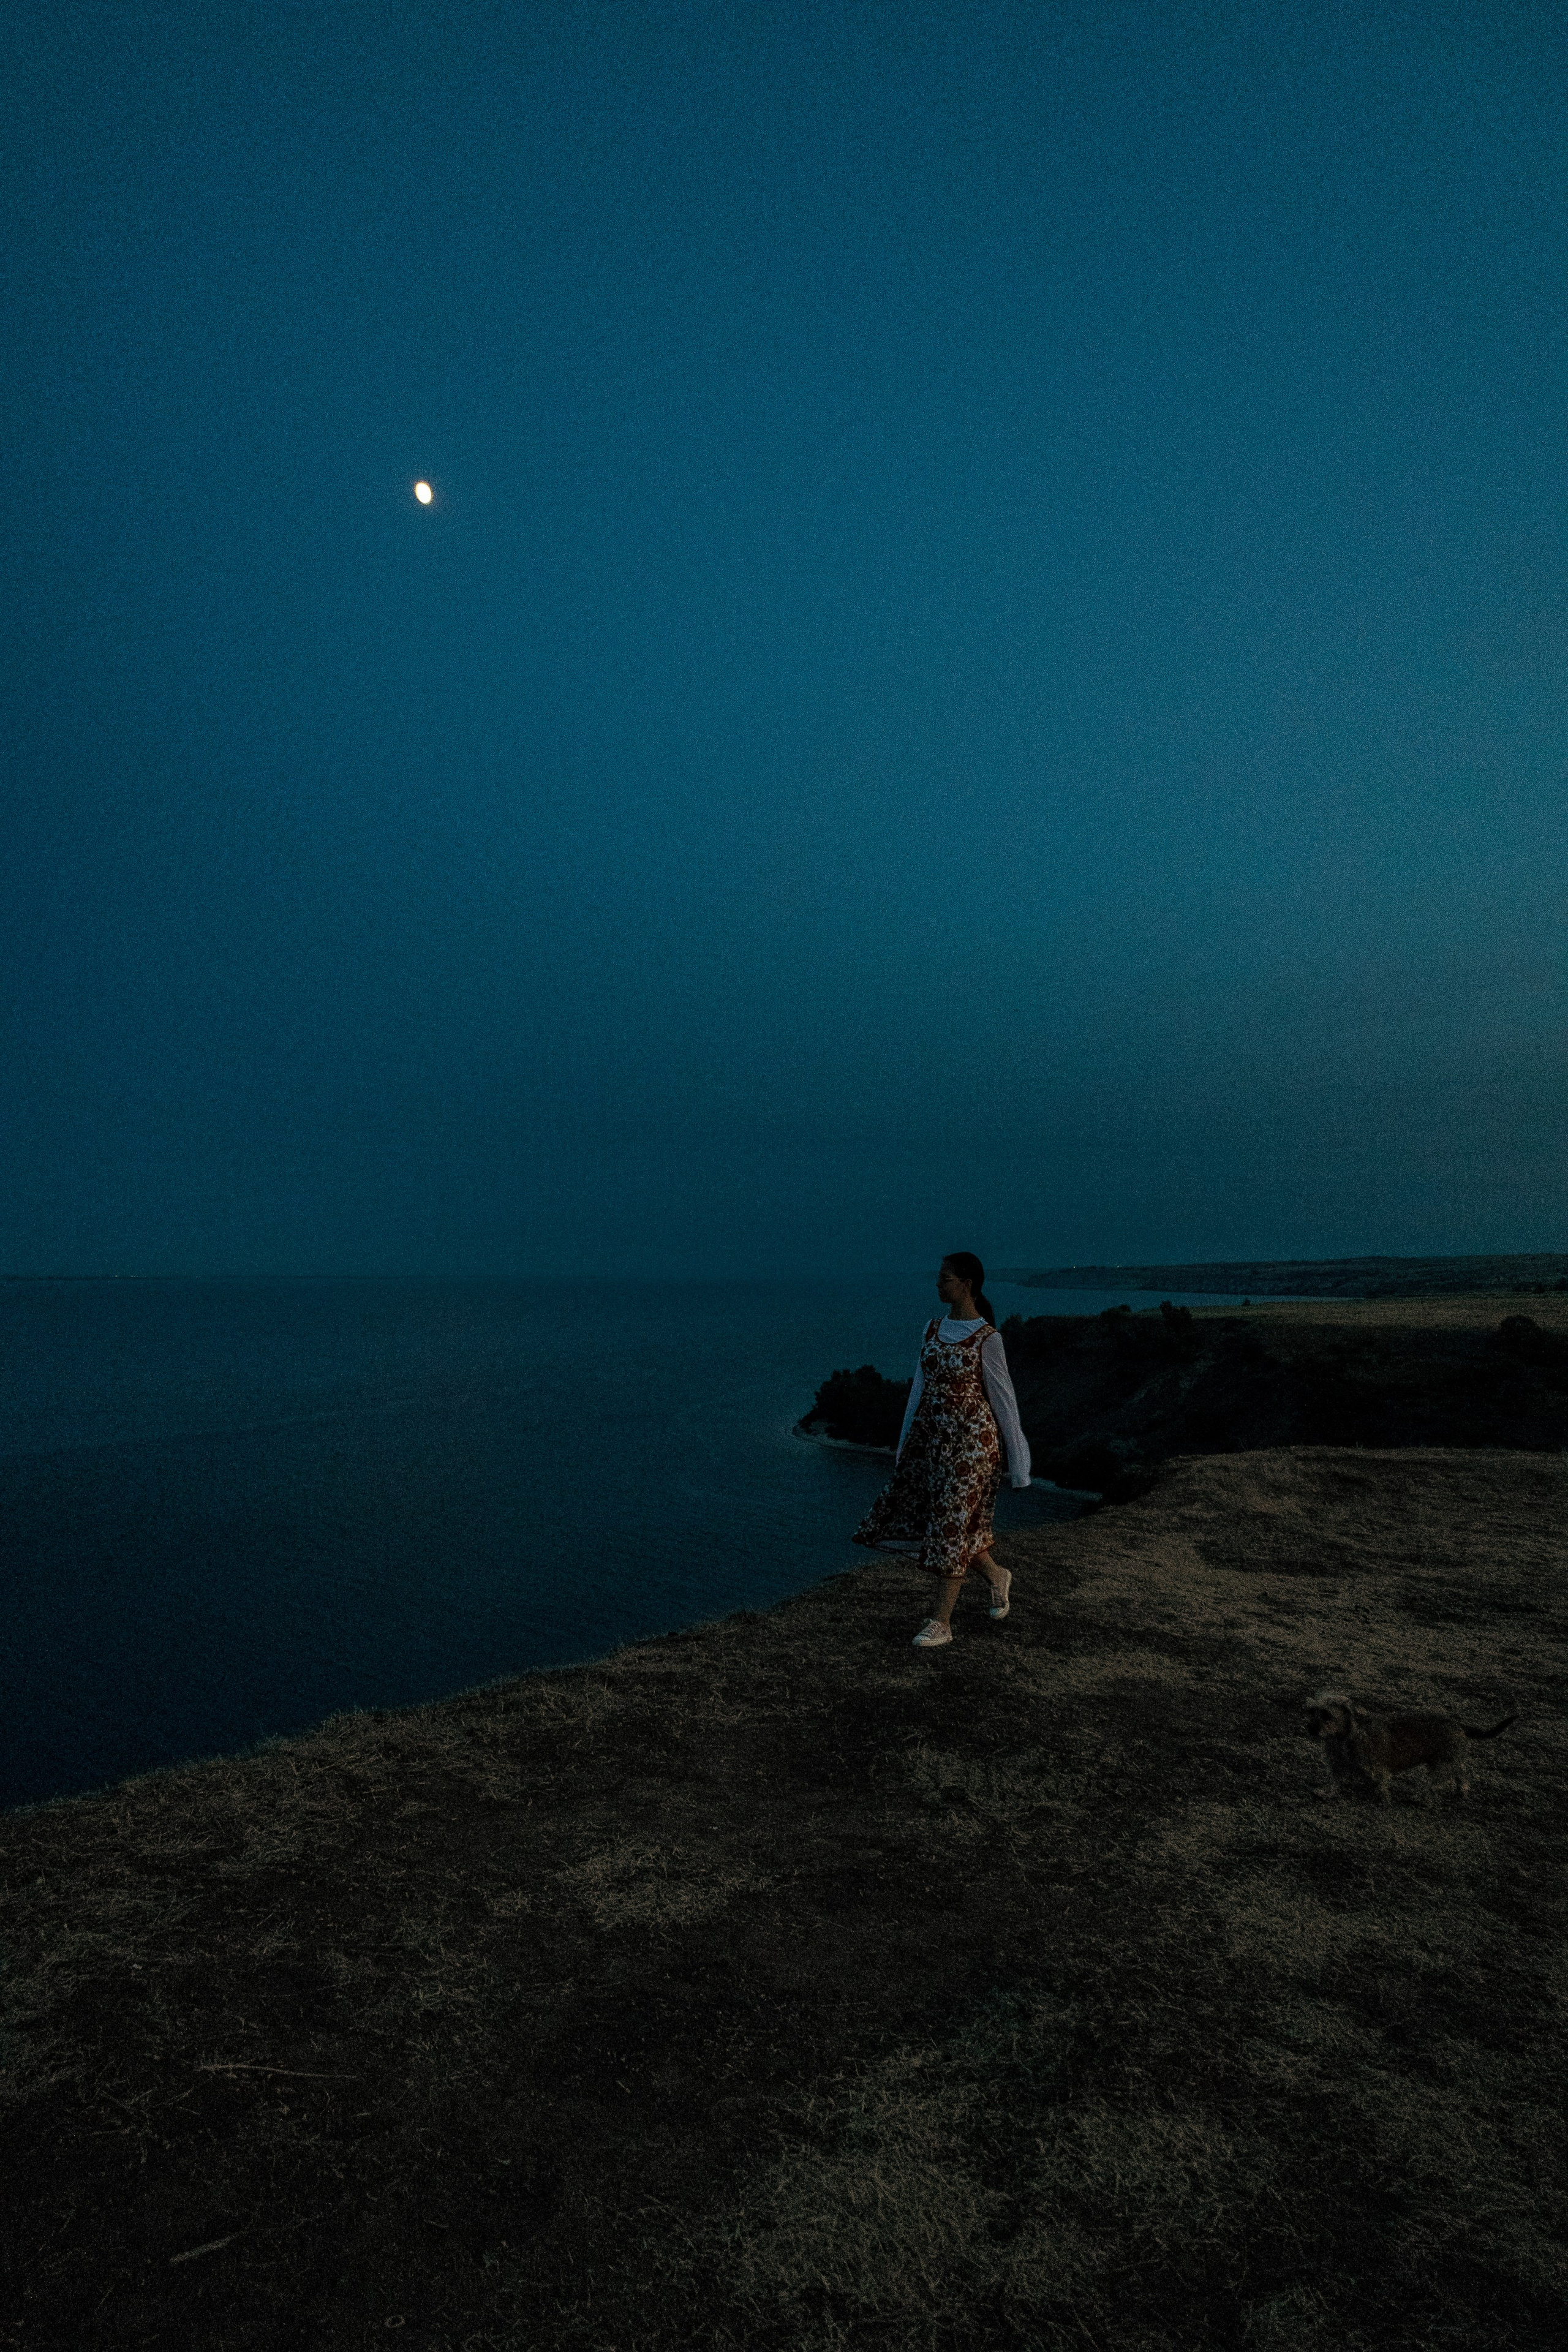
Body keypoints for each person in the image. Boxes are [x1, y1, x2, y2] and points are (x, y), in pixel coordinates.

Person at [852, 1251, 1031, 1646]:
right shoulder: (932, 1329)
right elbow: (918, 1388)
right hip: (932, 1442)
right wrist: (903, 1445)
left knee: (951, 1525)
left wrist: (1020, 1465)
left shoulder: (988, 1338)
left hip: (973, 1444)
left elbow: (1005, 1401)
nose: (937, 1284)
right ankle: (998, 1575)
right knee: (952, 1522)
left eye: (945, 1278)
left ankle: (942, 1622)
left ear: (966, 1284)